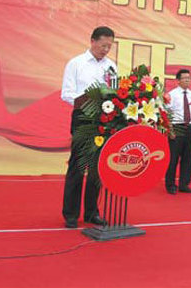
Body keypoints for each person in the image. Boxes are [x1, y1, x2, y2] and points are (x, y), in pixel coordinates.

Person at [60, 26, 115, 229]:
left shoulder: (111, 66)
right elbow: (66, 93)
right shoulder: (76, 63)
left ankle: (92, 213)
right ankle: (71, 214)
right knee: (78, 165)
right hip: (83, 118)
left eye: (109, 46)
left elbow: (115, 91)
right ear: (92, 41)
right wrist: (87, 101)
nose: (105, 50)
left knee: (97, 168)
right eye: (103, 45)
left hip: (104, 119)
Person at [165, 69, 191, 194]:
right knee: (173, 157)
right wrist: (170, 130)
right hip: (177, 127)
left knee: (188, 157)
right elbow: (167, 113)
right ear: (178, 80)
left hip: (190, 127)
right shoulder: (171, 94)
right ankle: (170, 184)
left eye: (189, 78)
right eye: (185, 78)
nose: (187, 80)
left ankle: (184, 184)